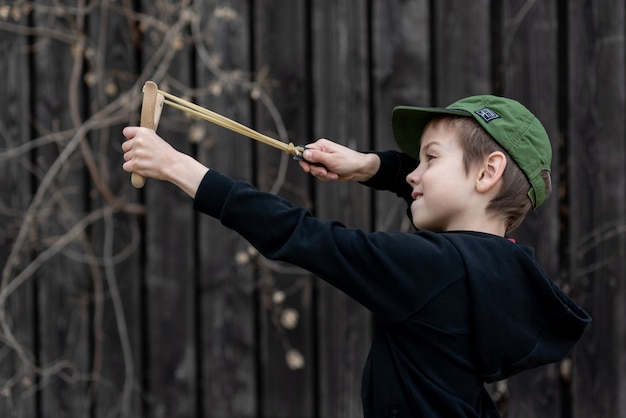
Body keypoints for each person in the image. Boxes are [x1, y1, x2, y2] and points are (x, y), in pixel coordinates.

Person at [122, 94, 590, 417]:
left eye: (429, 158)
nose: (413, 175)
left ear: (488, 172)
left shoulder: (431, 268)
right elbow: (445, 193)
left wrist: (178, 167)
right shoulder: (497, 270)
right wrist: (369, 166)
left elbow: (302, 235)